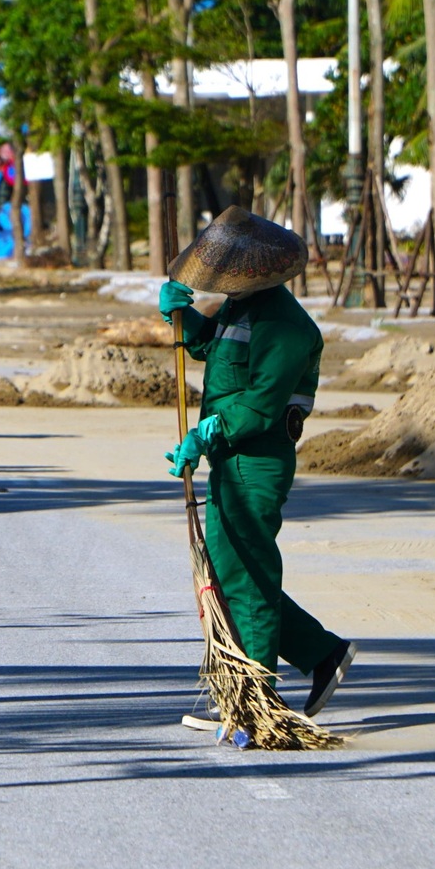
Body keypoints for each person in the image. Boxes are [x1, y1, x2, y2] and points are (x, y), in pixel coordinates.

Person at [158, 205, 355, 719]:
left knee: (245, 572)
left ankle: (254, 696)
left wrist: (210, 430)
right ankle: (321, 653)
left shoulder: (288, 326)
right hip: (229, 457)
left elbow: (262, 403)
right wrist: (183, 317)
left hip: (256, 460)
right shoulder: (239, 307)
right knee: (232, 571)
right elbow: (217, 356)